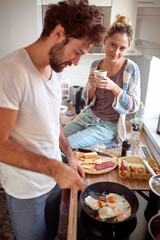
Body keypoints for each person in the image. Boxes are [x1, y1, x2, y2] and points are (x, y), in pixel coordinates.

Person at [0, 1, 106, 240]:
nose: (77, 62)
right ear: (59, 33)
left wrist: (68, 155)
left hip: (53, 182)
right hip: (26, 189)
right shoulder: (11, 72)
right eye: (77, 51)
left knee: (49, 234)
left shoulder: (55, 70)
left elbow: (52, 120)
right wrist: (55, 168)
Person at [64, 14, 140, 149]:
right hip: (88, 116)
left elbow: (133, 106)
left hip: (108, 126)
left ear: (126, 49)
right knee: (57, 139)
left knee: (67, 146)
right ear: (105, 40)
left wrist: (114, 87)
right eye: (113, 44)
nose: (116, 52)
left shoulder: (131, 69)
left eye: (122, 48)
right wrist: (92, 86)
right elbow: (86, 98)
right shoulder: (96, 65)